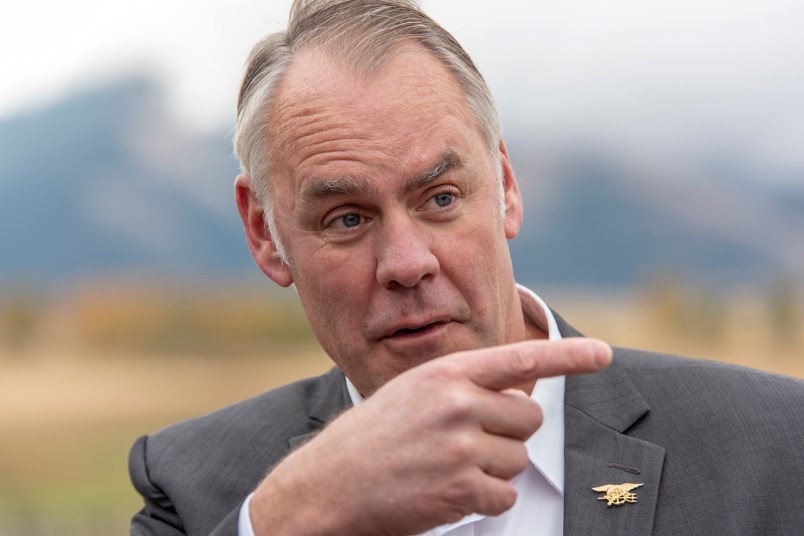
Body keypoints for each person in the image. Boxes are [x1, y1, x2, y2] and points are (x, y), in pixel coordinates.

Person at [128, 1, 804, 535]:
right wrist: (290, 522)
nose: (407, 263)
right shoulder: (195, 488)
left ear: (506, 186)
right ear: (265, 234)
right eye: (348, 219)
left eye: (441, 199)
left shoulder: (773, 448)